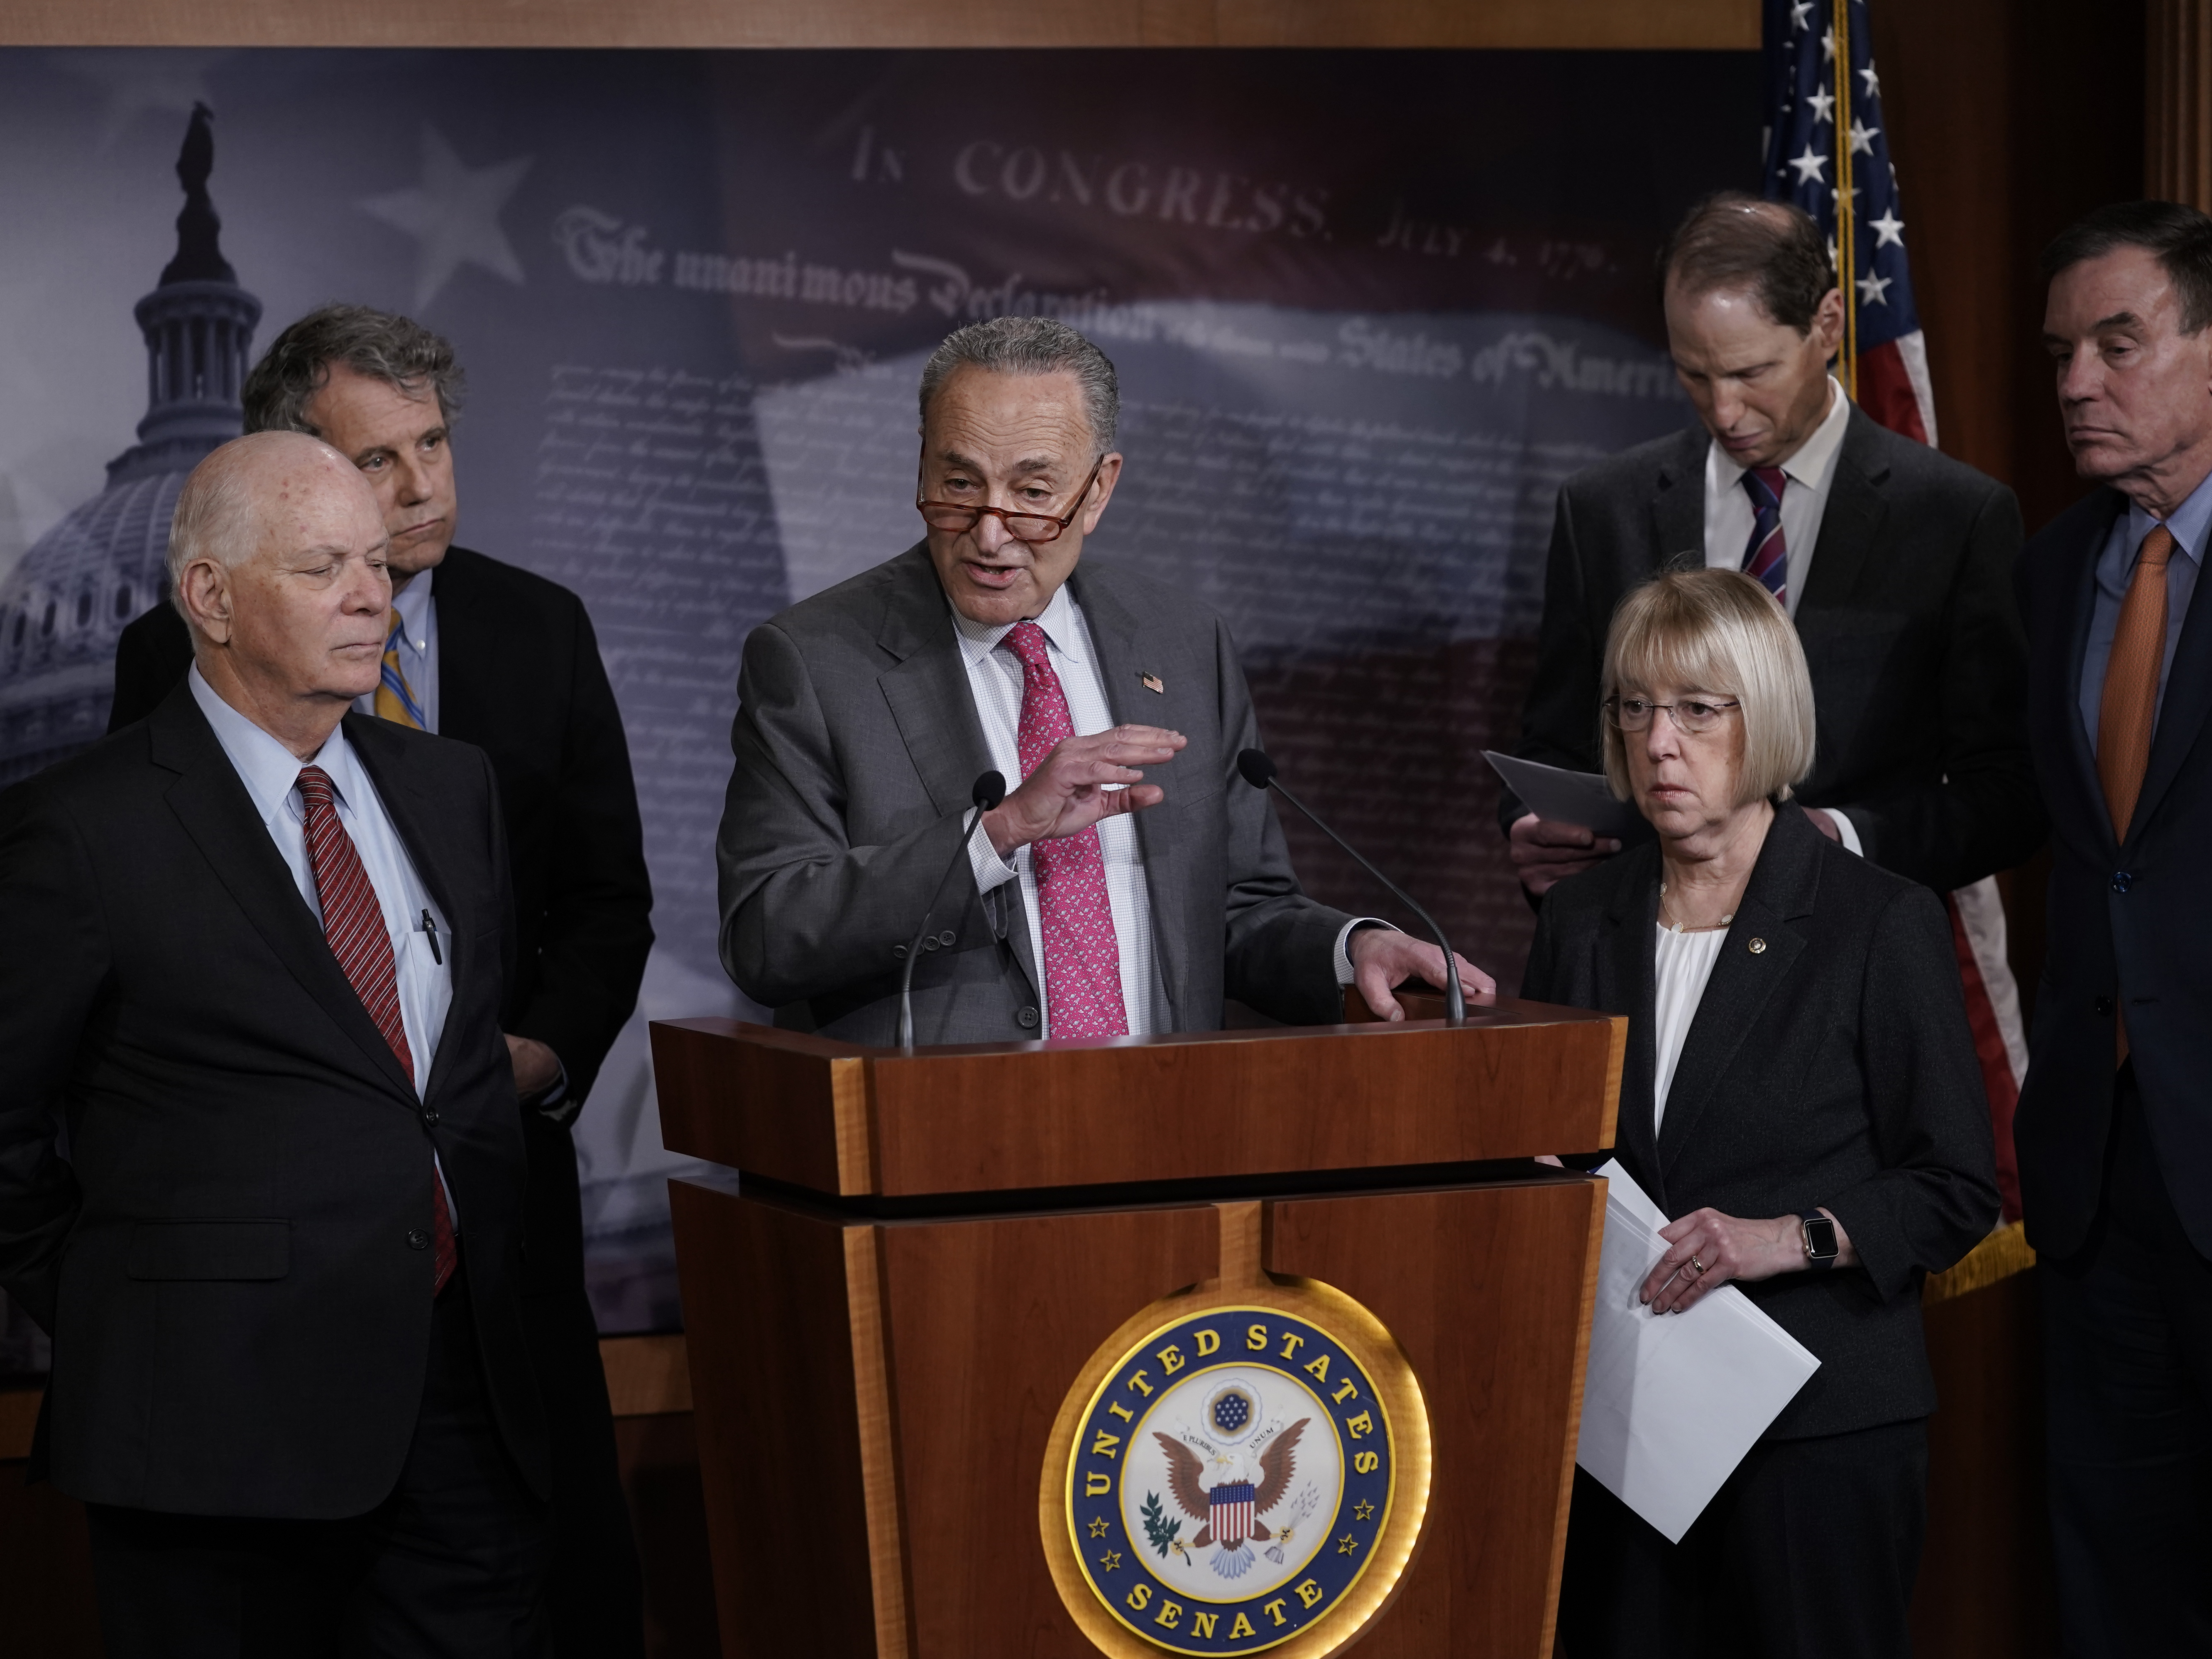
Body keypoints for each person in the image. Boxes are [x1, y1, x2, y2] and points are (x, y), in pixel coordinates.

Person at [105, 306, 653, 1654]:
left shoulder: (539, 629)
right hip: (271, 1271)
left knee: (522, 1577)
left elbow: (604, 901)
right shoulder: (167, 663)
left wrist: (519, 1061)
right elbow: (149, 940)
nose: (423, 490)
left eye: (435, 446)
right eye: (380, 460)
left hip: (491, 1204)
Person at [0, 433, 551, 1652]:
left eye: (376, 562)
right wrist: (129, 1304)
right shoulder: (80, 832)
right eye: (322, 568)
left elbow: (444, 1081)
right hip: (210, 1431)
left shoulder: (454, 786)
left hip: (459, 1406)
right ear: (210, 598)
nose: (373, 594)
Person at [718, 315, 1489, 1042]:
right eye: (958, 486)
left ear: (1099, 489)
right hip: (942, 1149)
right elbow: (766, 934)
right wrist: (996, 835)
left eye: (1032, 494)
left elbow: (1237, 909)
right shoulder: (817, 660)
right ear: (922, 463)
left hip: (1162, 1139)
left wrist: (1349, 950)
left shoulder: (1182, 641)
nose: (991, 534)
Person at [1522, 568, 1997, 1659]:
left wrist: (1780, 1239)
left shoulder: (1879, 922)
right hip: (1625, 1429)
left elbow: (1958, 1188)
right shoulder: (1584, 920)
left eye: (1697, 709)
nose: (1659, 743)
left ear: (1767, 714)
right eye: (1634, 708)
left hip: (1816, 1434)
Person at [2020, 200, 2212, 1655]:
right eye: (2059, 351)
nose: (2076, 379)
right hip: (2093, 1171)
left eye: (2117, 342)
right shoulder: (2046, 570)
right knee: (2109, 1574)